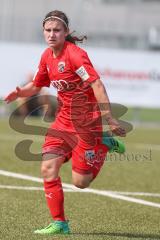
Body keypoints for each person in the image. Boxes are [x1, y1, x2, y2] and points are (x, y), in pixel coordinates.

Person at [4, 10, 126, 235]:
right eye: (48, 30)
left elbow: (97, 85)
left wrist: (109, 118)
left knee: (81, 182)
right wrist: (20, 91)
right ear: (43, 32)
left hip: (87, 125)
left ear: (65, 32)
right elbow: (37, 84)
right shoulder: (46, 56)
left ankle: (103, 143)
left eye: (56, 30)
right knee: (48, 168)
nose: (51, 34)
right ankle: (60, 223)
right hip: (62, 122)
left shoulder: (75, 55)